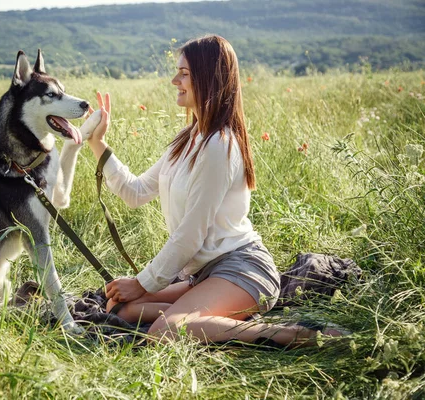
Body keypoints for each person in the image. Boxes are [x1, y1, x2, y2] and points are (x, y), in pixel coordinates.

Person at [86, 35, 340, 346]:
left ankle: (296, 334)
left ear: (209, 78)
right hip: (203, 275)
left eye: (184, 73)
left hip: (243, 270)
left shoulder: (219, 146)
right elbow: (135, 192)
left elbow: (191, 233)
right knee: (119, 308)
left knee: (166, 331)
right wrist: (98, 143)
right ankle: (210, 319)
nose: (174, 80)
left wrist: (142, 282)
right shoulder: (187, 139)